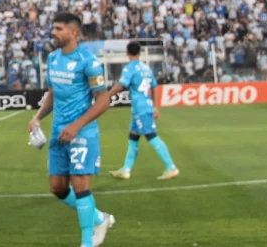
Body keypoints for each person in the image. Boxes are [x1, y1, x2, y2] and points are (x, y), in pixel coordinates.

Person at [28, 13, 115, 247]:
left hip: (82, 132)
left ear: (73, 33)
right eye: (53, 28)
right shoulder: (54, 58)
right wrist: (37, 117)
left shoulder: (88, 61)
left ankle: (87, 242)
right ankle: (99, 218)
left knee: (80, 185)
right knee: (57, 187)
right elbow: (54, 92)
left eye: (58, 29)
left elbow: (103, 100)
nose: (53, 33)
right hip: (59, 132)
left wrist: (77, 125)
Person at [108, 42, 179, 181]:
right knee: (133, 138)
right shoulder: (146, 68)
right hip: (144, 107)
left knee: (152, 137)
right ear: (139, 53)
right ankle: (126, 170)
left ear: (127, 53)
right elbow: (154, 86)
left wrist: (107, 96)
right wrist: (154, 106)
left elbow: (120, 85)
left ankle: (171, 168)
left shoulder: (129, 68)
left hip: (140, 109)